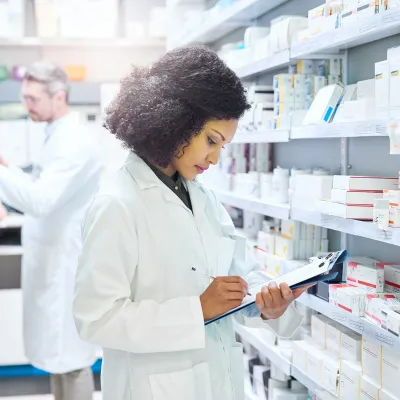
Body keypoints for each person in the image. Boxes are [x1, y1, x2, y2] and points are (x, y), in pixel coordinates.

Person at [73, 46, 308, 400]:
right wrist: (195, 310)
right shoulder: (118, 204)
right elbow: (96, 318)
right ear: (174, 122)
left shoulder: (203, 199)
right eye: (211, 140)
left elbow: (240, 273)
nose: (214, 157)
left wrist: (269, 301)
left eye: (223, 146)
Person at [0, 61, 103, 400]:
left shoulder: (74, 140)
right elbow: (44, 185)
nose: (26, 105)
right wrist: (11, 170)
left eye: (32, 99)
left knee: (71, 359)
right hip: (52, 257)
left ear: (59, 97)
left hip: (65, 264)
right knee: (60, 361)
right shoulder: (57, 135)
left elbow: (41, 200)